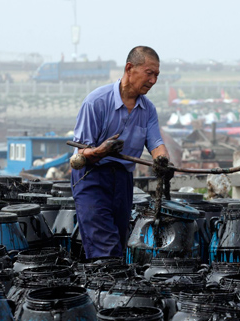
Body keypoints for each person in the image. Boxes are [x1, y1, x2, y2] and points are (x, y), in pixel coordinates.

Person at [71, 46, 170, 260]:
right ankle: (106, 287)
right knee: (104, 249)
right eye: (149, 73)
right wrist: (100, 151)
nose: (153, 81)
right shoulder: (96, 102)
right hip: (92, 179)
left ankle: (105, 287)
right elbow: (80, 155)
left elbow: (156, 144)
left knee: (118, 242)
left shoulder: (148, 109)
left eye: (157, 76)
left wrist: (162, 160)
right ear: (129, 68)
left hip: (123, 181)